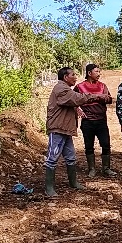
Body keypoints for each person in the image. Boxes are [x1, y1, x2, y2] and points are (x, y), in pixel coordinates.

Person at [44, 67, 99, 197]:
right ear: (65, 77)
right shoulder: (61, 89)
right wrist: (95, 96)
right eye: (73, 75)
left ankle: (73, 183)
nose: (75, 77)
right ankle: (49, 188)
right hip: (57, 129)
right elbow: (75, 98)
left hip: (65, 129)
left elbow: (72, 101)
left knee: (71, 157)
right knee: (52, 158)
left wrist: (76, 107)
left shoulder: (64, 89)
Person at [74, 63, 117, 178]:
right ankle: (91, 169)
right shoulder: (79, 87)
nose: (99, 74)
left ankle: (106, 168)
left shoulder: (103, 86)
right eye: (96, 72)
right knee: (89, 146)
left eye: (99, 72)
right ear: (89, 73)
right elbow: (73, 100)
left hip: (101, 120)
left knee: (106, 144)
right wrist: (78, 109)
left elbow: (109, 99)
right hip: (87, 121)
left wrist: (101, 97)